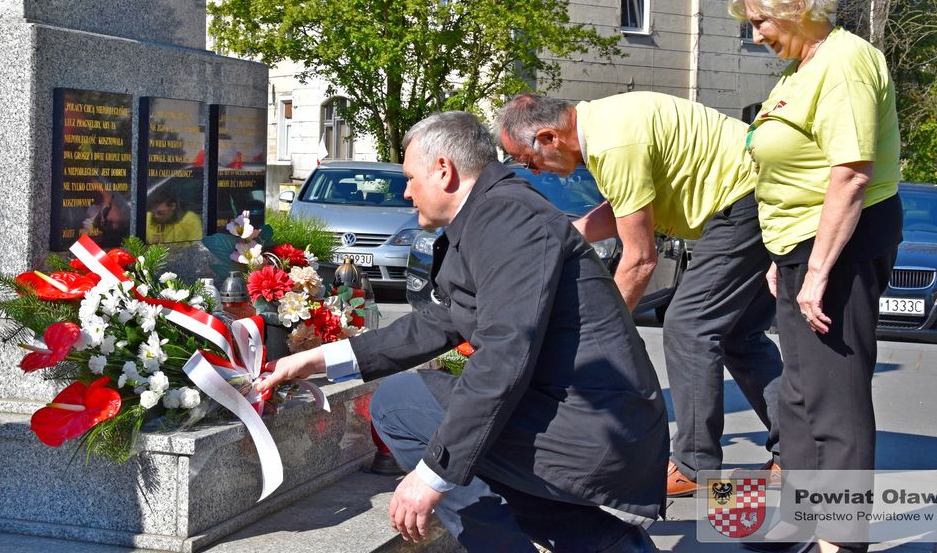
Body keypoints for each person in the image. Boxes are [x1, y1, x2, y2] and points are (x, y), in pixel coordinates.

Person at [257, 111, 668, 552]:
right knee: (458, 445)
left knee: (401, 406)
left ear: (443, 170)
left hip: (595, 430)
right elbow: (439, 322)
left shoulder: (508, 218)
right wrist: (316, 359)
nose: (406, 190)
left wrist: (431, 476)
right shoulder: (493, 213)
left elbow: (504, 355)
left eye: (410, 177)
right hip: (577, 418)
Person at [497, 92, 782, 497]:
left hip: (744, 203)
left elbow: (640, 259)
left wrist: (601, 335)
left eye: (529, 162)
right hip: (757, 197)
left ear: (549, 138)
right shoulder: (605, 126)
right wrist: (567, 237)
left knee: (688, 327)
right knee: (739, 336)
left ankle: (694, 464)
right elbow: (627, 207)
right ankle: (798, 452)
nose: (537, 173)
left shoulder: (612, 143)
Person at [728, 0, 902, 553]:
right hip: (800, 246)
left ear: (797, 4)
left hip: (841, 247)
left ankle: (841, 537)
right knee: (799, 393)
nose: (755, 36)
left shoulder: (847, 62)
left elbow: (851, 174)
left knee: (835, 397)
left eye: (760, 21)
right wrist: (784, 259)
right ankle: (803, 519)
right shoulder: (801, 68)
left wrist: (817, 271)